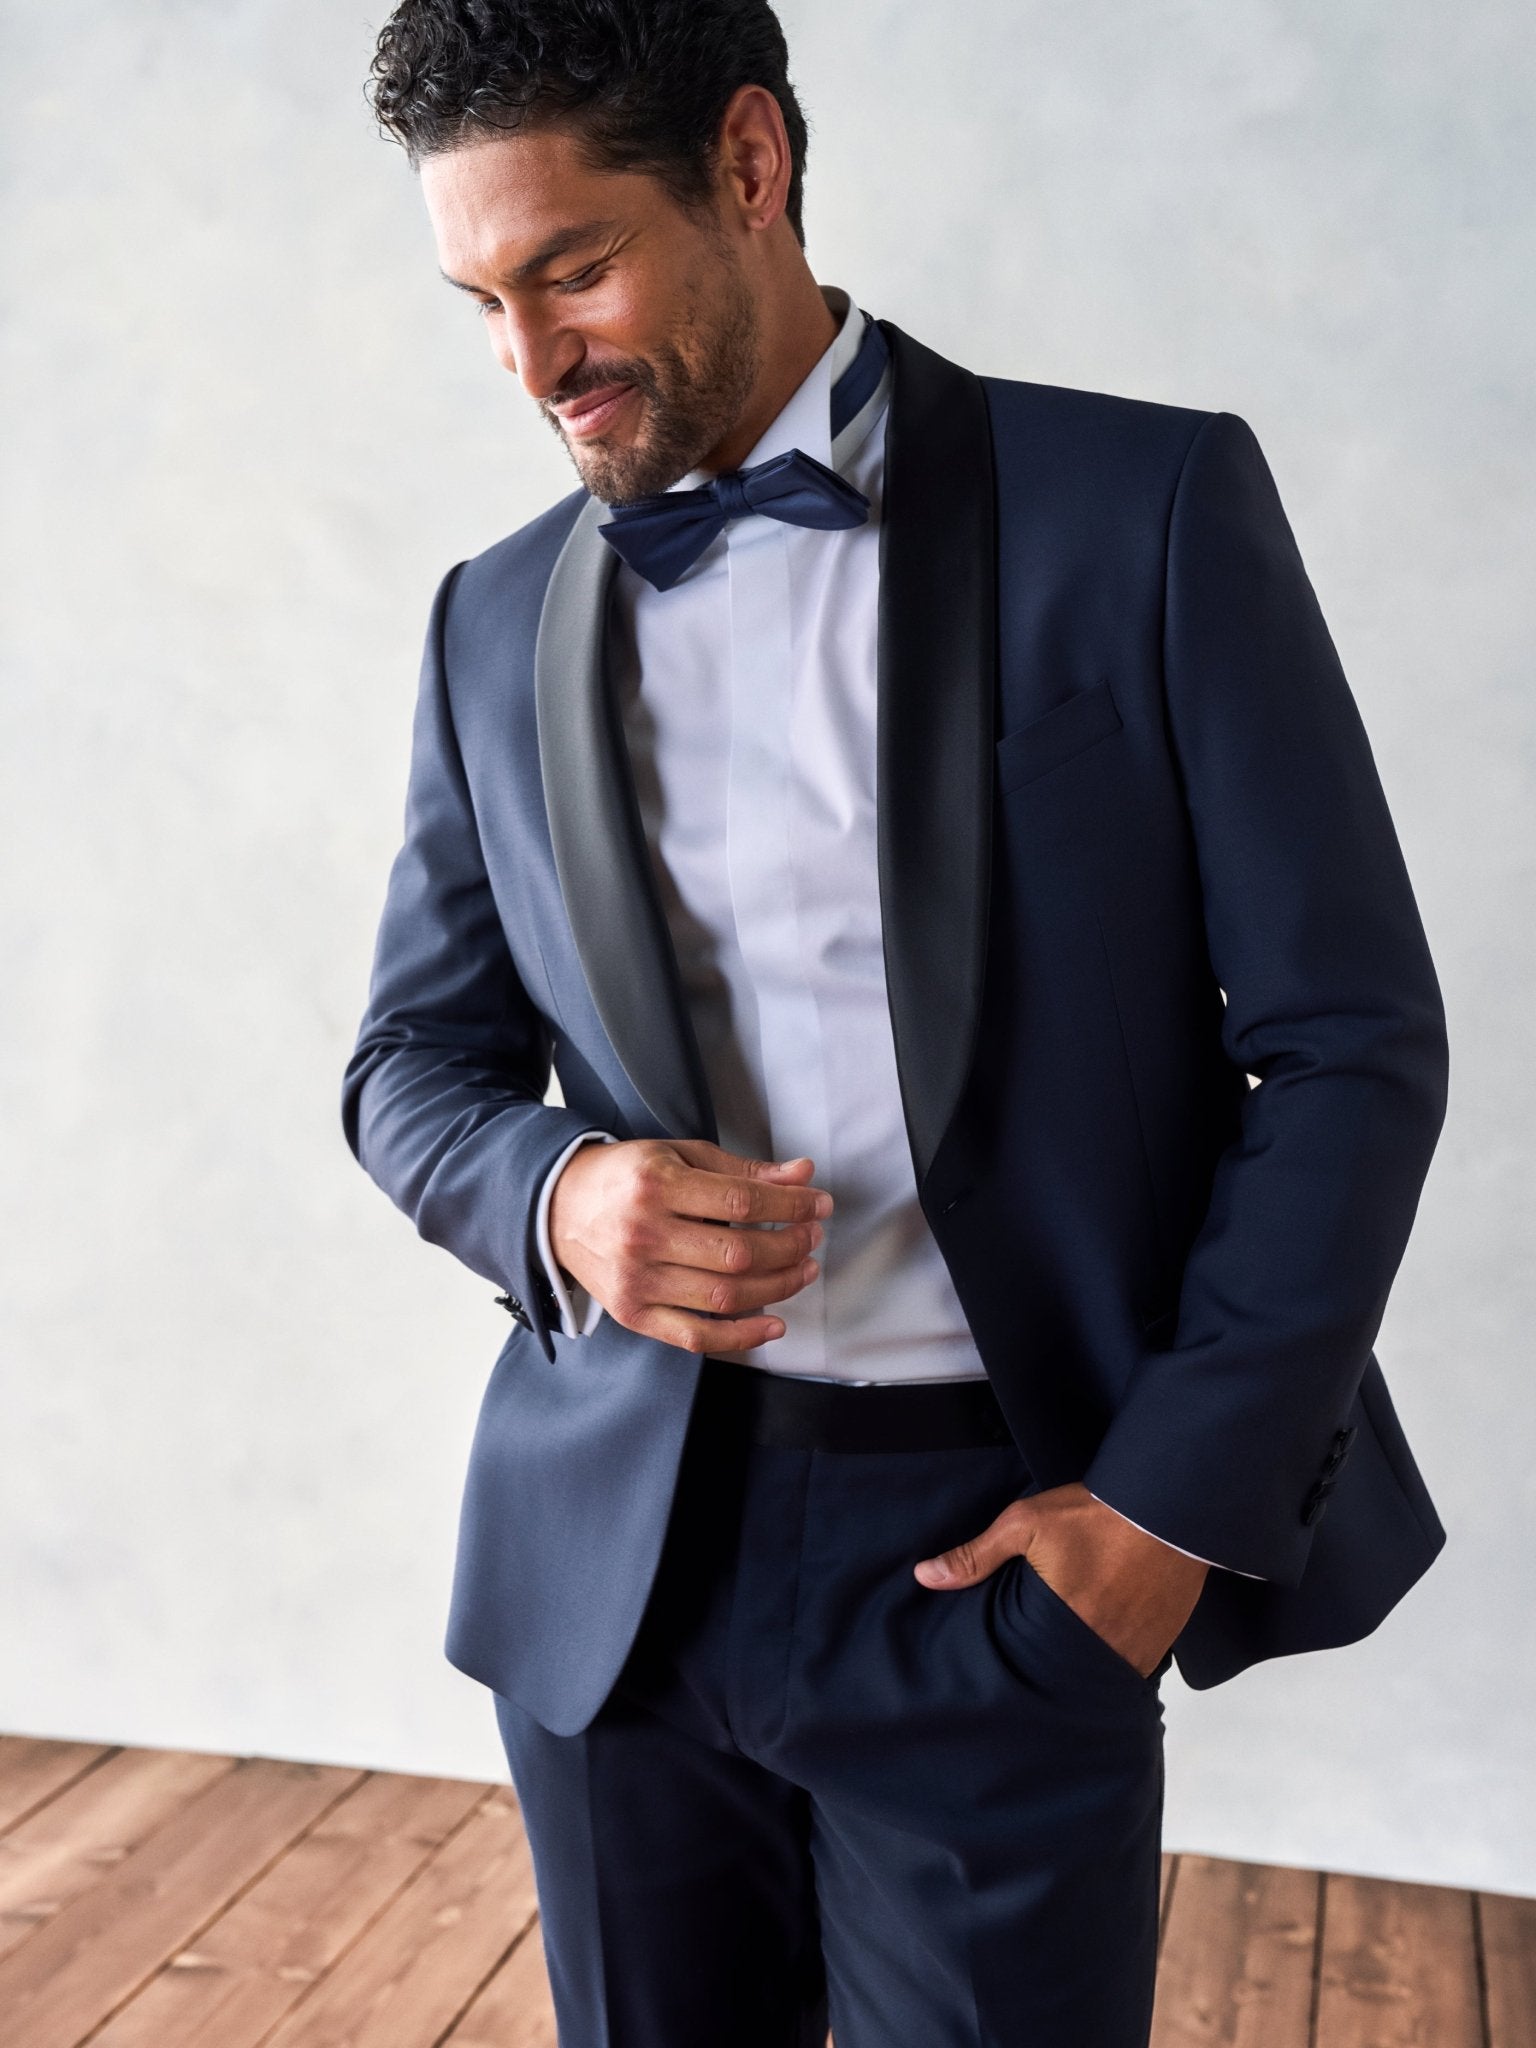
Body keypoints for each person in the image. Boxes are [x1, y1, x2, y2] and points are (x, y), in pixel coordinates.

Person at [340, 4, 1450, 2042]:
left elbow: (1354, 1043)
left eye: (574, 266)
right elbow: (408, 1069)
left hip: (999, 1559)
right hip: (617, 1584)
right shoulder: (486, 618)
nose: (529, 362)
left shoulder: (1151, 509)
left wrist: (1155, 1522)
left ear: (749, 164)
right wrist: (564, 1195)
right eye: (480, 300)